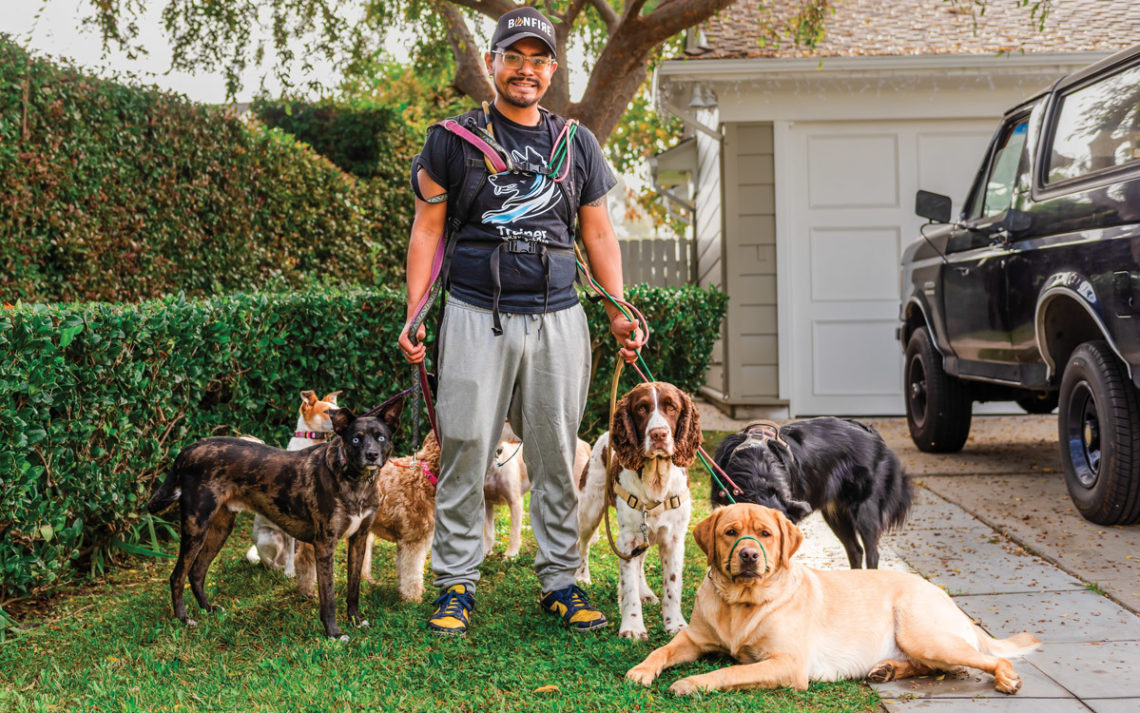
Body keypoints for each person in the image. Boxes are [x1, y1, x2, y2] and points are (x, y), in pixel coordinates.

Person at [397, 6, 641, 636]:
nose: (526, 70)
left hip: (559, 317)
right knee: (466, 449)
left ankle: (561, 580)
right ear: (493, 63)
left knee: (557, 454)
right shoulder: (451, 141)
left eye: (538, 60)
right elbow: (426, 232)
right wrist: (417, 310)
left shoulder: (576, 143)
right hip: (477, 313)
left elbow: (599, 234)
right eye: (514, 57)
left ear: (552, 70)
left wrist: (618, 308)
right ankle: (456, 586)